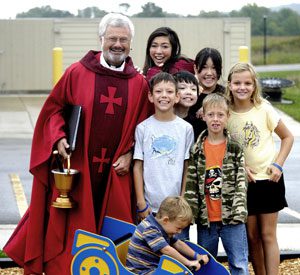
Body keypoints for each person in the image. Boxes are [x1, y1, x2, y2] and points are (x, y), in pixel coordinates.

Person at [4, 13, 151, 275]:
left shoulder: (139, 83)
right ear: (101, 39)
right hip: (79, 169)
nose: (118, 44)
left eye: (124, 40)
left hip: (115, 173)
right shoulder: (77, 72)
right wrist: (58, 137)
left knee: (114, 234)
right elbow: (54, 111)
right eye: (112, 38)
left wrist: (130, 154)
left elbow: (144, 128)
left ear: (131, 44)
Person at [225, 62, 294, 275]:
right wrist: (238, 166)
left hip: (269, 180)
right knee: (252, 236)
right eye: (237, 83)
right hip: (244, 184)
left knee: (268, 235)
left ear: (254, 85)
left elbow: (287, 137)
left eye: (247, 83)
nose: (242, 87)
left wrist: (278, 164)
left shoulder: (263, 108)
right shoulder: (225, 112)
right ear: (229, 85)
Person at [185, 93, 249, 274]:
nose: (215, 119)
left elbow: (241, 183)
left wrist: (238, 211)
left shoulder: (235, 148)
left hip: (232, 218)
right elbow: (191, 184)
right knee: (206, 265)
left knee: (238, 262)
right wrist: (191, 213)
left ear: (228, 116)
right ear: (203, 116)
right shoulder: (197, 150)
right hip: (206, 221)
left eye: (220, 115)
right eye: (211, 115)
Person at [133, 72, 194, 223]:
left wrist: (183, 201)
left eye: (169, 91)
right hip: (149, 208)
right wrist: (141, 203)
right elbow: (137, 166)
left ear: (177, 97)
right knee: (150, 246)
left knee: (177, 246)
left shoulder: (186, 129)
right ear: (151, 96)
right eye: (159, 91)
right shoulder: (143, 128)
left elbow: (188, 167)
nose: (164, 95)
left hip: (176, 209)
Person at [126, 196, 209, 274]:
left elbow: (178, 243)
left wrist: (197, 256)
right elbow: (166, 250)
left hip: (153, 266)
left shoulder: (162, 227)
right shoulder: (150, 228)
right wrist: (188, 263)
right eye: (178, 228)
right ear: (166, 220)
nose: (179, 232)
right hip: (141, 271)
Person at [189, 47, 225, 139]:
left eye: (214, 68)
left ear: (220, 69)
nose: (209, 73)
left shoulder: (226, 95)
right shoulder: (188, 95)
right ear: (195, 68)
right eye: (204, 67)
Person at [173, 70, 200, 141]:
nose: (189, 92)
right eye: (182, 88)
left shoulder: (198, 123)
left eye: (193, 89)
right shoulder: (165, 120)